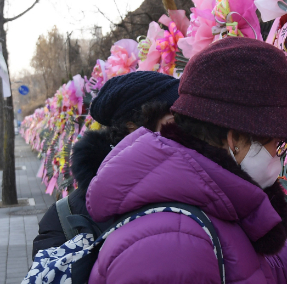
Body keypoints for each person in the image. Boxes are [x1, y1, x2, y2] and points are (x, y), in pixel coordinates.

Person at [85, 37, 287, 284]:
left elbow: (251, 278)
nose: (280, 158)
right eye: (278, 145)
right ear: (236, 140)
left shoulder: (201, 204)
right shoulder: (170, 246)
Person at [32, 71, 180, 256]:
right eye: (175, 120)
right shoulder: (65, 218)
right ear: (134, 127)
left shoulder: (194, 188)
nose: (187, 129)